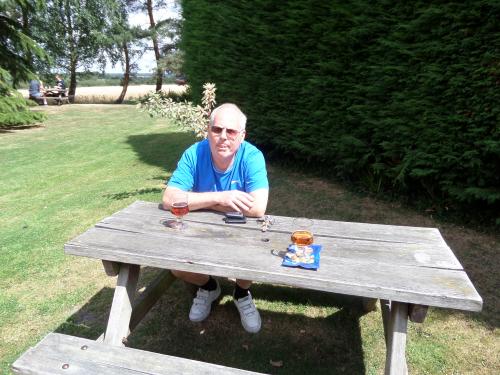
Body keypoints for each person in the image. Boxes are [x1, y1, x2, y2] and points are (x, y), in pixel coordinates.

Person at [163, 103, 269, 333]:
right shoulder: (194, 152)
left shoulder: (252, 156)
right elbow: (170, 198)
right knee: (175, 265)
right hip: (200, 231)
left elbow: (258, 208)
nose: (223, 137)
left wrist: (198, 202)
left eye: (231, 131)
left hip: (241, 232)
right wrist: (222, 197)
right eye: (217, 129)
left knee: (252, 257)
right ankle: (210, 287)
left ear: (242, 136)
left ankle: (241, 293)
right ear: (208, 131)